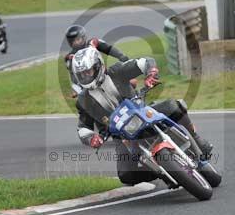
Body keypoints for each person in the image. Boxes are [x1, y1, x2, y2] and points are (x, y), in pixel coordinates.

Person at [72, 46, 213, 187]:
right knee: (126, 175)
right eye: (82, 75)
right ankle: (162, 172)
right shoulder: (83, 101)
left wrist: (151, 73)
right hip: (121, 135)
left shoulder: (116, 72)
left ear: (98, 66)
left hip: (142, 112)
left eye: (88, 71)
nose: (86, 76)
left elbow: (144, 61)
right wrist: (92, 138)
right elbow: (82, 127)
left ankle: (196, 139)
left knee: (174, 106)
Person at [64, 25, 129, 95]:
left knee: (131, 82)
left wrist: (121, 56)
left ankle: (135, 99)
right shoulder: (70, 57)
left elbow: (108, 49)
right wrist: (78, 86)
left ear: (83, 37)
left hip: (104, 75)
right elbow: (73, 74)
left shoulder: (93, 43)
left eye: (77, 39)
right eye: (73, 41)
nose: (76, 43)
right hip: (88, 84)